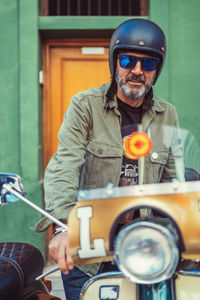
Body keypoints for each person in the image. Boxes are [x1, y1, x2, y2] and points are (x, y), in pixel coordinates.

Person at [35, 18, 184, 299]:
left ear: (157, 70)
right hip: (90, 247)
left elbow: (173, 181)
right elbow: (64, 165)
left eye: (148, 64)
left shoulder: (168, 114)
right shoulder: (85, 106)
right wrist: (64, 228)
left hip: (145, 248)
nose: (137, 70)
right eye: (128, 60)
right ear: (114, 61)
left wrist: (188, 231)